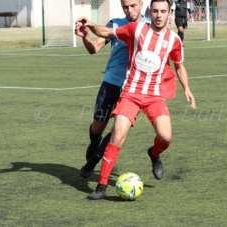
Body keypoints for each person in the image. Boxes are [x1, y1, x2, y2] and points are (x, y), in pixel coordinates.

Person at [75, 0, 196, 200]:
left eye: (163, 11)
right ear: (151, 11)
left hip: (154, 96)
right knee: (115, 136)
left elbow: (179, 66)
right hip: (128, 91)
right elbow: (106, 33)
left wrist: (187, 88)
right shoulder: (135, 29)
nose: (159, 15)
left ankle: (154, 154)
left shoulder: (174, 40)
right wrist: (89, 25)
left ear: (169, 14)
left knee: (165, 138)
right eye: (155, 11)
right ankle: (101, 186)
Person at [74, 0, 146, 170]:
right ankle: (94, 141)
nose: (129, 10)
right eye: (125, 7)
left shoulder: (150, 27)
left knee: (118, 128)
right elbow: (94, 48)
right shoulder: (115, 24)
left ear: (141, 4)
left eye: (133, 6)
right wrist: (85, 36)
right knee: (98, 127)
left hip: (133, 88)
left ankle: (93, 162)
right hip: (111, 83)